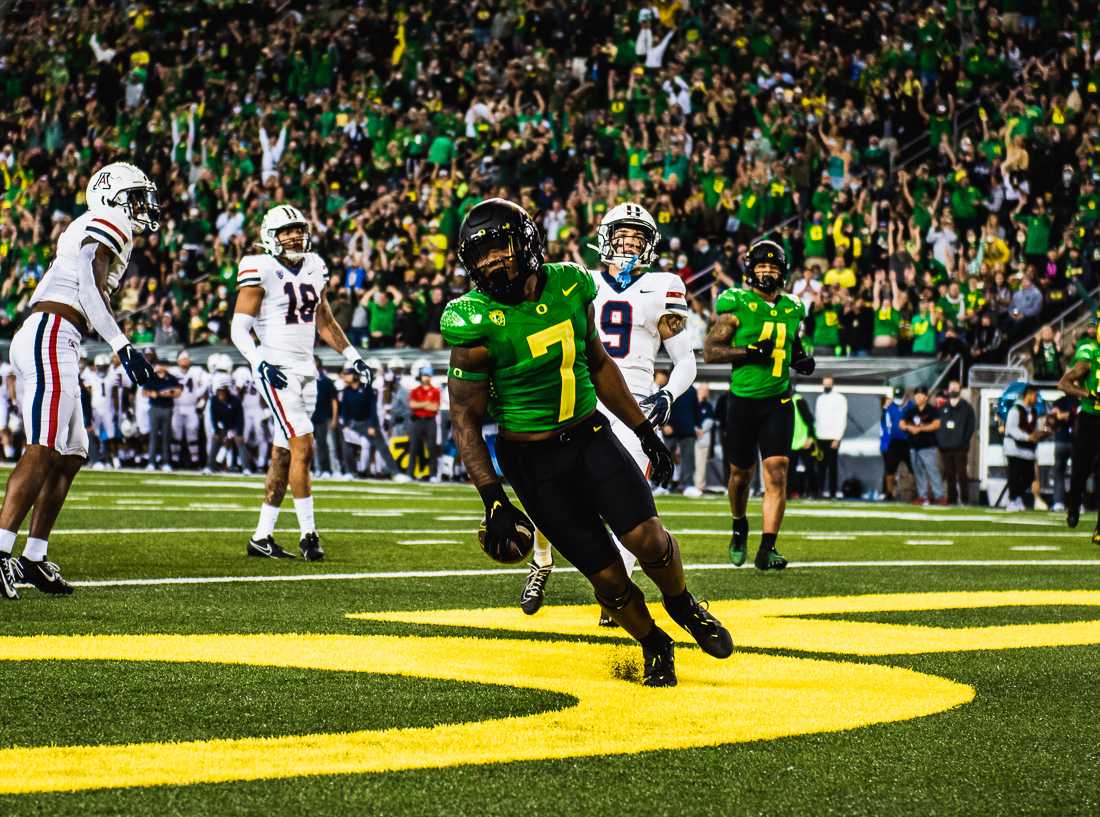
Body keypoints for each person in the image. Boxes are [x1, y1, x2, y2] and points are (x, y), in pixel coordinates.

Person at [443, 198, 731, 687]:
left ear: (527, 243)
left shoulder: (571, 285)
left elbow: (599, 364)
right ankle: (654, 643)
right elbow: (465, 420)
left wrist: (643, 429)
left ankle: (683, 606)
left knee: (648, 540)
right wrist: (492, 497)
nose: (491, 262)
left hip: (589, 435)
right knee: (608, 580)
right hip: (532, 463)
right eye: (480, 256)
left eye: (499, 248)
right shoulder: (470, 321)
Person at [521, 202, 696, 622]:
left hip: (633, 408)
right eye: (623, 234)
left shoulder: (663, 286)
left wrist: (667, 395)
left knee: (630, 505)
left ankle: (615, 593)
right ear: (603, 236)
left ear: (651, 245)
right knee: (550, 488)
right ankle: (541, 561)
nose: (629, 244)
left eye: (638, 237)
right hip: (578, 398)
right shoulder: (577, 283)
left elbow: (686, 360)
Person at [0, 161, 157, 600]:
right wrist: (122, 344)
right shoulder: (106, 221)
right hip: (52, 330)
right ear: (111, 197)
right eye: (135, 197)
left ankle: (33, 556)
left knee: (72, 451)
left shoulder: (100, 224)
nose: (142, 207)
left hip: (60, 335)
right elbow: (88, 284)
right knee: (45, 446)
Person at [230, 204, 372, 561]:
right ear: (270, 236)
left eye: (298, 229)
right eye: (285, 231)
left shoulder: (314, 265)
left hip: (306, 369)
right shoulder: (258, 266)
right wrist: (260, 360)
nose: (294, 235)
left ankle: (261, 537)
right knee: (303, 447)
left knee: (282, 454)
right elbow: (239, 328)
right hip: (275, 369)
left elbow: (323, 320)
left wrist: (351, 355)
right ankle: (309, 534)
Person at [703, 239, 814, 569]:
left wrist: (801, 359)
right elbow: (711, 351)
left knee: (777, 473)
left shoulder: (793, 308)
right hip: (743, 402)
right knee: (740, 475)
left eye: (773, 267)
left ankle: (768, 548)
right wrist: (750, 352)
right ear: (750, 271)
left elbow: (791, 343)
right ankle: (739, 523)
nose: (767, 272)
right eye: (761, 266)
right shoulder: (737, 304)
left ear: (783, 272)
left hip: (778, 401)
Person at [1057, 325, 1100, 542]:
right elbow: (1063, 384)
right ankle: (1073, 505)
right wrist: (1088, 394)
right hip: (1091, 418)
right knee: (1081, 469)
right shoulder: (1089, 352)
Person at [1003, 385, 1047, 511]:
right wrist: (1027, 437)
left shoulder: (1033, 412)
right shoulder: (1015, 410)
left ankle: (1019, 497)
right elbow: (1011, 429)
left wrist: (1039, 434)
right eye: (1034, 395)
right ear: (1027, 395)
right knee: (1015, 475)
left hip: (1028, 450)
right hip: (1014, 449)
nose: (1035, 398)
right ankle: (1012, 500)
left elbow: (1033, 428)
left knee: (1028, 477)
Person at [900, 386, 946, 505]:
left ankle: (939, 496)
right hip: (914, 446)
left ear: (926, 397)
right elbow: (901, 424)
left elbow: (936, 424)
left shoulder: (932, 410)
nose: (918, 397)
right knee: (918, 471)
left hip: (928, 446)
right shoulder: (911, 410)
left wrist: (921, 429)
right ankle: (923, 496)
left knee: (932, 471)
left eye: (920, 395)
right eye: (916, 395)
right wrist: (910, 428)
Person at [935, 381, 976, 505]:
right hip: (945, 447)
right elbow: (938, 426)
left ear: (960, 389)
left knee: (962, 473)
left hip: (960, 448)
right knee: (949, 474)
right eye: (951, 387)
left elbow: (971, 426)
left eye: (956, 388)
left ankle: (965, 499)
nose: (953, 390)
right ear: (948, 390)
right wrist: (941, 442)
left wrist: (963, 442)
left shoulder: (966, 407)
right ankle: (952, 499)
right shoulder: (943, 408)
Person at [169, 349, 207, 469]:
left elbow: (207, 382)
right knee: (176, 435)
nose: (185, 360)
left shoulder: (197, 371)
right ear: (178, 361)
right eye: (182, 358)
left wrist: (198, 394)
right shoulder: (172, 372)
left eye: (186, 358)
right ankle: (175, 461)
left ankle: (195, 461)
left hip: (191, 407)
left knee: (193, 434)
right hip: (176, 407)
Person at [144, 357, 180, 471]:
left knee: (166, 436)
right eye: (160, 364)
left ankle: (166, 462)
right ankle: (151, 462)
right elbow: (144, 392)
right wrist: (153, 393)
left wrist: (166, 393)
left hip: (167, 408)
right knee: (153, 436)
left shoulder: (171, 378)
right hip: (155, 408)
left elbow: (178, 391)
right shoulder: (152, 377)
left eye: (164, 364)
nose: (162, 367)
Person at [814, 377, 847, 498]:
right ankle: (820, 491)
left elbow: (842, 418)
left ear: (832, 384)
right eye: (824, 384)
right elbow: (818, 418)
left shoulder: (840, 398)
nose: (826, 386)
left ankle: (833, 492)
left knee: (832, 466)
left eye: (828, 384)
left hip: (833, 436)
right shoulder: (820, 398)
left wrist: (838, 437)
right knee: (820, 466)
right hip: (820, 436)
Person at [205, 373, 246, 473]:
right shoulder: (214, 400)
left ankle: (246, 468)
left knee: (240, 442)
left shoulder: (235, 401)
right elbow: (213, 417)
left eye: (222, 391)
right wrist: (216, 430)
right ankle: (210, 466)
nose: (221, 394)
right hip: (222, 427)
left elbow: (240, 418)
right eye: (219, 391)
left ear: (226, 391)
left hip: (234, 426)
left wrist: (239, 433)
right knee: (215, 439)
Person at [407, 367, 441, 481]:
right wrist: (426, 403)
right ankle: (409, 474)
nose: (425, 377)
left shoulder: (435, 391)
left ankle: (433, 475)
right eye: (424, 375)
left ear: (430, 377)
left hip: (430, 421)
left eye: (427, 375)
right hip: (417, 421)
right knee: (413, 447)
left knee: (431, 448)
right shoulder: (415, 390)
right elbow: (412, 405)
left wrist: (420, 404)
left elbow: (435, 407)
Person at [879, 386, 910, 501]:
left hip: (907, 441)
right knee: (889, 469)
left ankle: (912, 493)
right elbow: (886, 429)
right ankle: (889, 493)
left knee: (912, 468)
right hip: (892, 443)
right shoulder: (888, 410)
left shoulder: (909, 406)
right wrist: (885, 445)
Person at [1048, 394, 1076, 512]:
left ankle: (1061, 502)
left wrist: (1062, 415)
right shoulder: (1080, 401)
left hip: (1069, 441)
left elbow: (1054, 418)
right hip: (1071, 441)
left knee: (1062, 473)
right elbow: (1053, 418)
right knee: (1072, 473)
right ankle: (1073, 503)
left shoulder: (1059, 402)